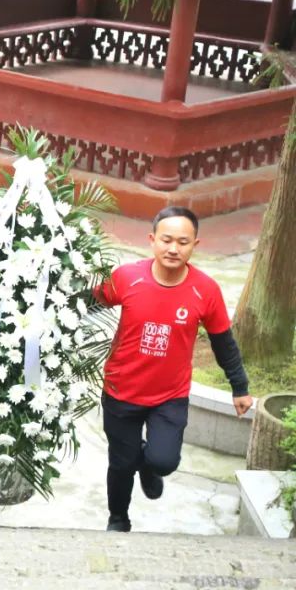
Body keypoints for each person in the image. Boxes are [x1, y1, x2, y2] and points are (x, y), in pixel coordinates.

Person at [95, 206, 252, 533]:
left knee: (164, 462)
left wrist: (239, 386)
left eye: (183, 242)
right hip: (120, 390)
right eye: (166, 240)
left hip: (169, 396)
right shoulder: (126, 277)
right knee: (121, 464)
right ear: (152, 240)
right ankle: (118, 519)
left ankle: (149, 464)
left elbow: (223, 342)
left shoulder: (205, 290)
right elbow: (91, 300)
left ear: (195, 245)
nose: (173, 248)